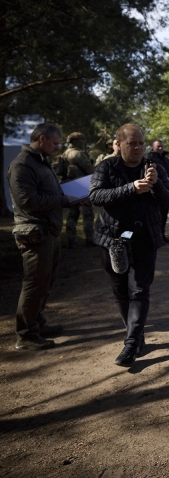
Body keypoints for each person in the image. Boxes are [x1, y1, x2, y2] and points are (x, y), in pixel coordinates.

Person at [89, 123, 169, 366]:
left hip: (144, 238)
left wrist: (156, 183)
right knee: (120, 292)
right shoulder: (106, 167)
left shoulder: (153, 167)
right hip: (112, 239)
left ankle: (130, 345)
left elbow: (168, 199)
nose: (137, 147)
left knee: (139, 290)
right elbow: (95, 195)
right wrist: (130, 189)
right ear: (120, 144)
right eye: (132, 143)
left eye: (140, 143)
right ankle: (135, 335)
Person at [8, 123, 75, 350]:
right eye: (55, 143)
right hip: (35, 233)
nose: (57, 148)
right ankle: (25, 335)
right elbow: (28, 201)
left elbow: (50, 193)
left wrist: (72, 194)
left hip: (49, 231)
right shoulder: (22, 165)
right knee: (34, 284)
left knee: (45, 282)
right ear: (42, 138)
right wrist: (64, 200)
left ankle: (36, 323)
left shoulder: (42, 163)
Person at [62, 132, 95, 249]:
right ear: (75, 141)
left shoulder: (64, 154)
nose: (83, 142)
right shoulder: (78, 154)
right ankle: (90, 240)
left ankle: (72, 241)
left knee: (72, 215)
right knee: (88, 214)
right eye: (81, 140)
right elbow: (89, 169)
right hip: (82, 186)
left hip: (70, 187)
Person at [149, 140, 169, 243]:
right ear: (153, 147)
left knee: (164, 216)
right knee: (156, 217)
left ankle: (162, 235)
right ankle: (156, 237)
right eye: (158, 147)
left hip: (166, 193)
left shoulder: (166, 160)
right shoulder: (150, 159)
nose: (160, 148)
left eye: (161, 146)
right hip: (155, 193)